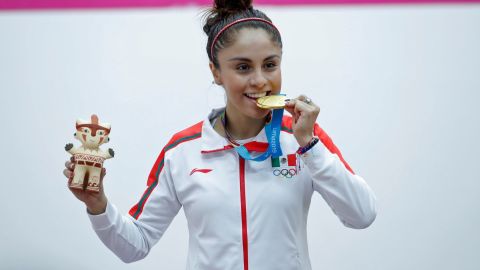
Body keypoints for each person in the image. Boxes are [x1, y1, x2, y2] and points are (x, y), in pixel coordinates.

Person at [63, 0, 377, 269]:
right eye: (242, 68)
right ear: (216, 72)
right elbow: (136, 244)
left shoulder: (303, 138)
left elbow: (362, 215)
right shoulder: (182, 151)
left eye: (270, 65)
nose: (260, 81)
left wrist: (309, 145)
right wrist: (98, 204)